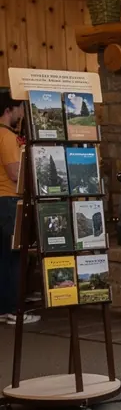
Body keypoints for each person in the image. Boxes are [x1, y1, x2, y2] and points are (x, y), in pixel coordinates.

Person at [0, 92, 37, 325]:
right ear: (8, 111)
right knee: (16, 255)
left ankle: (4, 307)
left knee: (3, 256)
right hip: (10, 200)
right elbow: (15, 173)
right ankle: (15, 309)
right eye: (20, 109)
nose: (22, 114)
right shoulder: (7, 137)